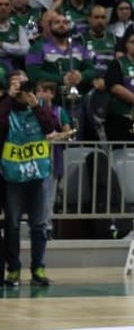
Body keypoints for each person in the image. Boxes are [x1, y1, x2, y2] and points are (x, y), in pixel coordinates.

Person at [1, 72, 73, 288]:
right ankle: (13, 269)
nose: (24, 93)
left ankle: (38, 268)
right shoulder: (6, 110)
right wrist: (8, 98)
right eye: (19, 89)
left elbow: (51, 127)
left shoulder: (39, 110)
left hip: (39, 176)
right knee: (12, 225)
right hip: (13, 177)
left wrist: (36, 105)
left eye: (27, 89)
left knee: (39, 225)